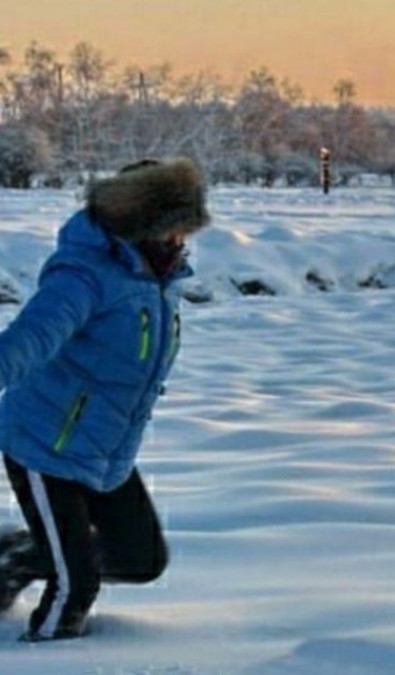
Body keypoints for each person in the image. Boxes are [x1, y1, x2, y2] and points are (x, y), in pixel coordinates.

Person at [0, 158, 208, 641]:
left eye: (184, 233)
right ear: (138, 224)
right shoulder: (84, 275)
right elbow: (28, 341)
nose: (179, 244)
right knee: (75, 586)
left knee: (141, 559)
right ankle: (49, 661)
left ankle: (16, 557)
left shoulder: (156, 282)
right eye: (170, 231)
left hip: (105, 449)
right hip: (43, 444)